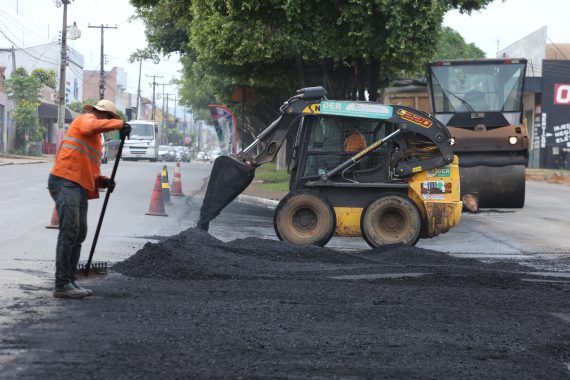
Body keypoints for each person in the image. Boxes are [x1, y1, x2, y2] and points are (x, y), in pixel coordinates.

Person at [48, 99, 131, 299]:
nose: (109, 123)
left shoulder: (96, 140)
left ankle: (69, 280)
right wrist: (120, 124)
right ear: (103, 115)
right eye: (109, 118)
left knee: (79, 232)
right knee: (70, 230)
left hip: (79, 186)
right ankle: (61, 284)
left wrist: (103, 181)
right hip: (65, 180)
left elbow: (91, 170)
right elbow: (91, 125)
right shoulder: (86, 119)